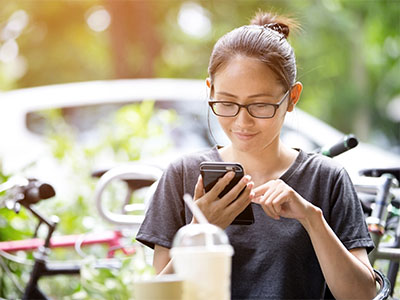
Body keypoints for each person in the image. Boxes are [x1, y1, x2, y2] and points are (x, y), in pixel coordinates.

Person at [136, 11, 376, 299]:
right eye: (227, 103)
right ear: (210, 90)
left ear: (292, 98)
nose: (242, 122)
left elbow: (362, 295)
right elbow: (161, 296)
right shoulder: (183, 175)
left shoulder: (326, 179)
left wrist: (312, 220)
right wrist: (201, 231)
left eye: (261, 106)